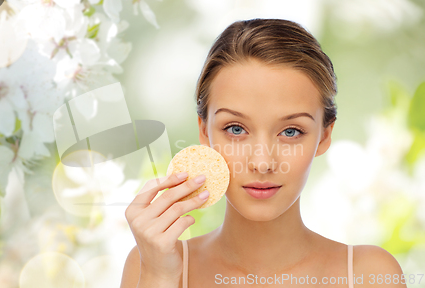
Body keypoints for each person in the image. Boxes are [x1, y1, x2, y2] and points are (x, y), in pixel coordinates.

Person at [120, 18, 406, 288]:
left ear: (324, 136)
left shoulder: (369, 274)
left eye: (291, 132)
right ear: (205, 132)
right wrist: (158, 276)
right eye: (235, 129)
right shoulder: (151, 263)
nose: (262, 163)